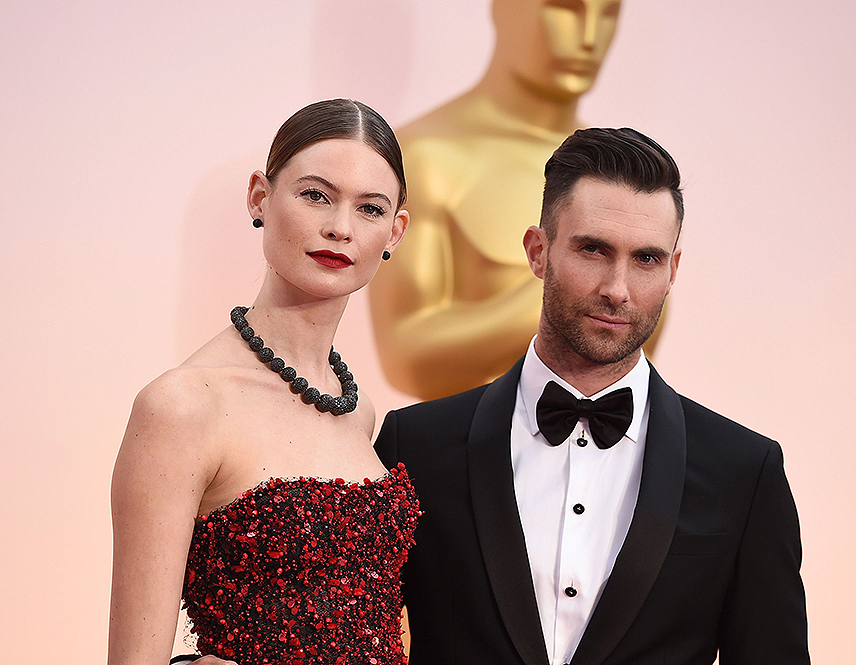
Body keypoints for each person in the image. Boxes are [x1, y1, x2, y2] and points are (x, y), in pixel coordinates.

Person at [375, 128, 810, 664]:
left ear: (673, 271)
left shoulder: (745, 471)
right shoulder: (413, 445)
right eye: (593, 249)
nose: (617, 289)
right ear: (538, 251)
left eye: (646, 259)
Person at [109, 99, 417, 665]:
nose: (339, 228)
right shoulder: (181, 407)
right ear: (260, 197)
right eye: (315, 195)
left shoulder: (359, 413)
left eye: (369, 209)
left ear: (395, 231)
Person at [369, 0, 670, 401]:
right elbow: (406, 360)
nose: (589, 38)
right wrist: (563, 292)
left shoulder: (628, 179)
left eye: (609, 12)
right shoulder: (424, 157)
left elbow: (631, 365)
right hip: (463, 450)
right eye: (564, 8)